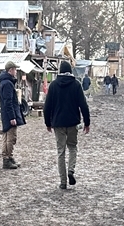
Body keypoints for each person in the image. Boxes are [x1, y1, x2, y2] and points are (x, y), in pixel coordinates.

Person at [44, 60, 91, 190]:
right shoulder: (76, 85)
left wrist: (48, 122)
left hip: (58, 123)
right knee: (72, 147)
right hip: (72, 122)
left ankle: (63, 181)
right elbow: (84, 105)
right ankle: (71, 170)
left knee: (60, 152)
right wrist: (87, 123)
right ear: (70, 71)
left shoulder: (53, 85)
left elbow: (47, 106)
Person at [0, 60, 25, 169]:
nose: (16, 72)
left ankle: (9, 158)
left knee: (6, 136)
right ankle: (7, 158)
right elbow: (8, 102)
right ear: (11, 70)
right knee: (11, 137)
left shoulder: (4, 82)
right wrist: (12, 117)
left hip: (5, 114)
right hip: (9, 114)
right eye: (15, 69)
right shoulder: (8, 84)